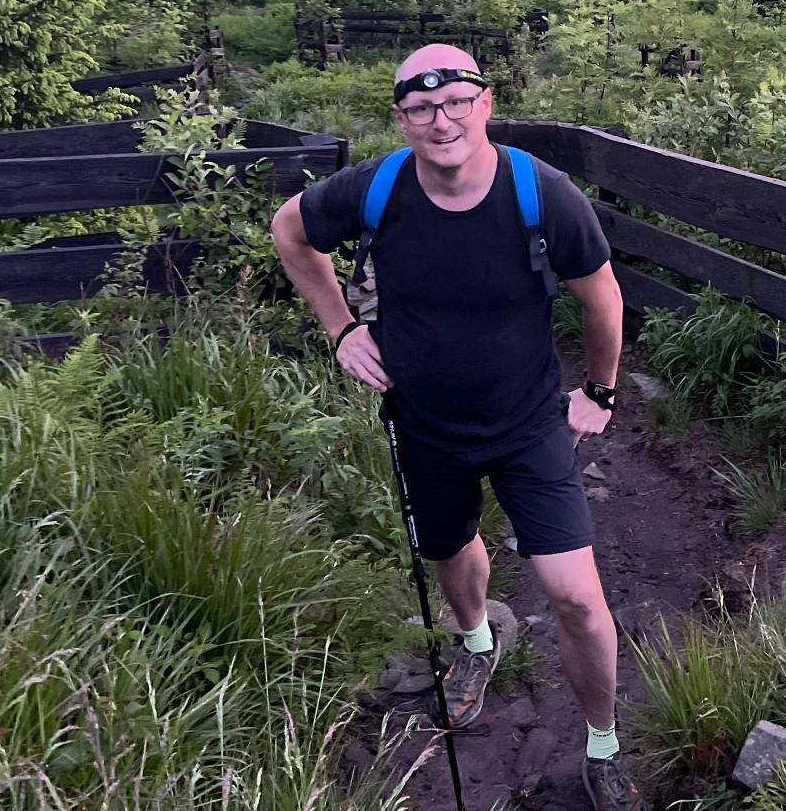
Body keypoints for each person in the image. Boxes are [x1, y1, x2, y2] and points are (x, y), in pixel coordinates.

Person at [270, 44, 639, 811]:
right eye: (422, 108)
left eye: (457, 101)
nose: (442, 121)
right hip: (423, 421)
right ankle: (477, 641)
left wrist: (598, 394)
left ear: (485, 102)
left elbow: (602, 299)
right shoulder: (376, 189)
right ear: (401, 118)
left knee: (574, 597)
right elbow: (289, 230)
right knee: (446, 547)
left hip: (530, 422)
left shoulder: (542, 193)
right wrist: (341, 328)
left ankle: (603, 744)